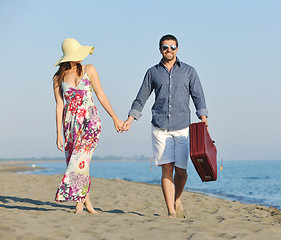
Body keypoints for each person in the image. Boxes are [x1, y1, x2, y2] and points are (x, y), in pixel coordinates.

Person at [122, 34, 209, 218]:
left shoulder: (189, 71)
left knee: (182, 171)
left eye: (172, 46)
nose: (168, 50)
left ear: (177, 48)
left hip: (182, 127)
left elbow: (198, 96)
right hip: (159, 126)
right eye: (165, 47)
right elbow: (141, 98)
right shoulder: (152, 72)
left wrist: (203, 118)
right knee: (167, 168)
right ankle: (171, 211)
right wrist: (130, 119)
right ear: (160, 50)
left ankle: (177, 198)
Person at [53, 38, 124, 214]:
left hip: (90, 121)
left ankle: (78, 203)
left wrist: (115, 118)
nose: (79, 58)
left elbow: (100, 94)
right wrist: (58, 134)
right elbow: (59, 105)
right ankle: (87, 202)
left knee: (80, 160)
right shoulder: (57, 78)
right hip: (70, 125)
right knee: (79, 162)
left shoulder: (89, 69)